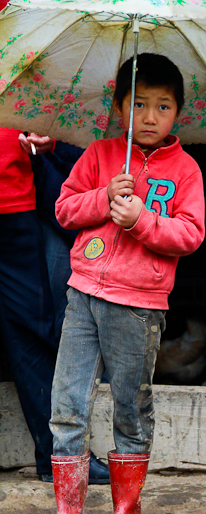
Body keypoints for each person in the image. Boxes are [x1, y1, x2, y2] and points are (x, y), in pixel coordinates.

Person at [34, 53, 205, 514]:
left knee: (130, 405)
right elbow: (65, 208)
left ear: (178, 113)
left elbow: (190, 234)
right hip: (83, 294)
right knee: (67, 404)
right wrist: (104, 196)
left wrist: (140, 221)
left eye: (163, 106)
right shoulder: (100, 154)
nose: (149, 117)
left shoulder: (187, 170)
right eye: (139, 105)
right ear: (118, 106)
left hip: (139, 304)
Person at [0, 128, 110, 483]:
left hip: (15, 205)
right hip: (15, 206)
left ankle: (59, 458)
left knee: (32, 332)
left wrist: (48, 141)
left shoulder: (19, 75)